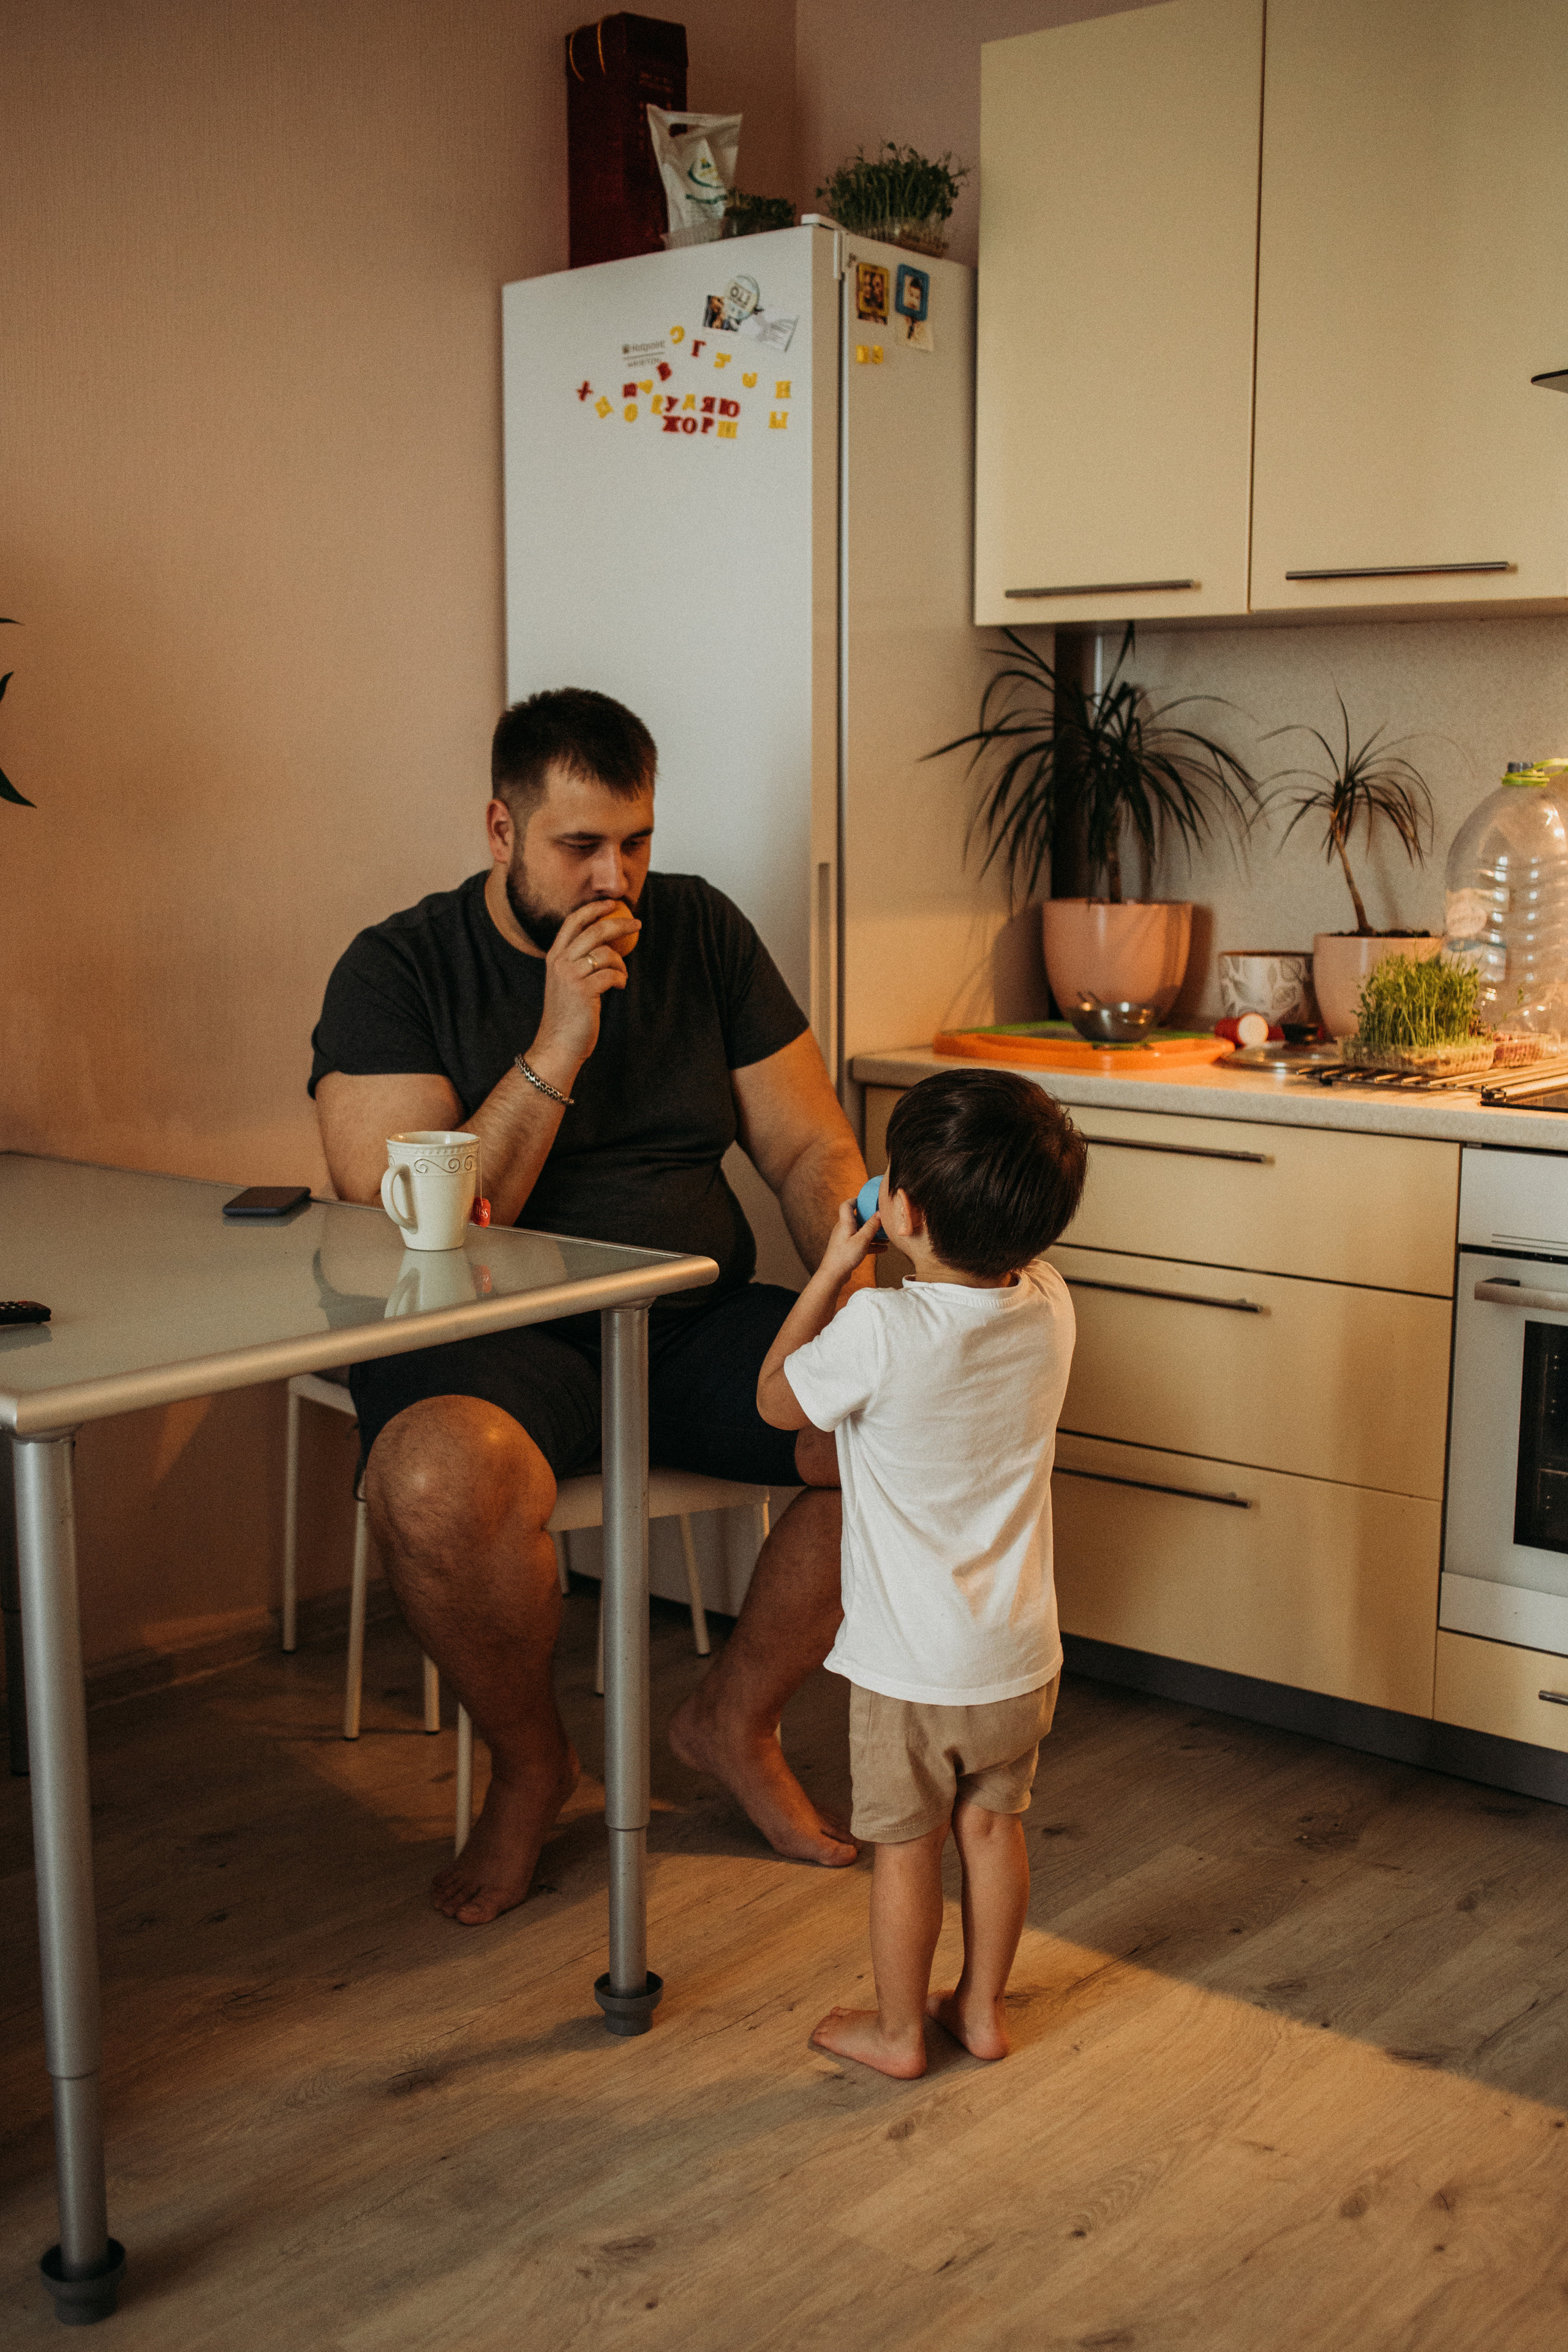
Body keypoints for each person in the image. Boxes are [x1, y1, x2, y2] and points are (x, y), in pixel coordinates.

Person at [311, 687, 870, 1924]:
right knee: (437, 1478)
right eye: (579, 847)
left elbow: (806, 1152)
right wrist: (559, 1038)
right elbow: (422, 1222)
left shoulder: (704, 932)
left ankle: (730, 1721)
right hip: (485, 1335)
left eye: (637, 842)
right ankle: (532, 1768)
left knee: (899, 1427)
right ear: (501, 832)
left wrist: (864, 1302)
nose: (615, 878)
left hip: (681, 1318)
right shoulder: (396, 968)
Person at [755, 1068, 1087, 2079]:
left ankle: (899, 2033)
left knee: (907, 1848)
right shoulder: (1050, 1303)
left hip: (911, 1669)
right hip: (1021, 1655)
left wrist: (831, 1267)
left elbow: (776, 1401)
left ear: (901, 1209)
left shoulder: (880, 1332)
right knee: (992, 1827)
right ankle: (980, 2010)